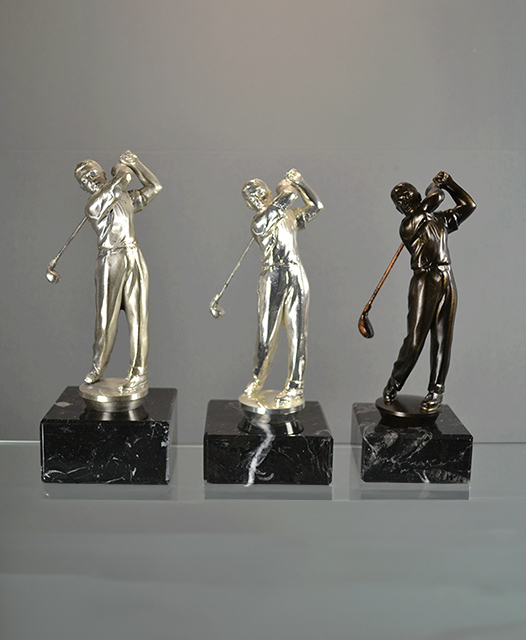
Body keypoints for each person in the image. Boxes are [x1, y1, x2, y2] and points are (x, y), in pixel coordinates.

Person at [383, 171, 476, 412]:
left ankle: (436, 390)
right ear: (399, 209)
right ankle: (394, 382)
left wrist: (451, 184)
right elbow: (436, 198)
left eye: (407, 194)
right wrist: (435, 186)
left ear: (415, 194)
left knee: (443, 338)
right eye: (399, 200)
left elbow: (469, 205)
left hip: (446, 277)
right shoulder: (408, 224)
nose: (404, 200)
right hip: (424, 280)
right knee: (415, 340)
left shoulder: (439, 220)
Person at [74, 151, 162, 393]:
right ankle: (98, 367)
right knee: (105, 320)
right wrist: (120, 166)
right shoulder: (93, 205)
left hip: (134, 255)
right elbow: (123, 179)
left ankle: (139, 373)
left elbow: (155, 187)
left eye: (93, 173)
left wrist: (137, 163)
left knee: (139, 319)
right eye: (84, 179)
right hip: (110, 259)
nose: (90, 179)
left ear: (102, 174)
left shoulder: (125, 198)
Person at [241, 169, 323, 406]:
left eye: (258, 191)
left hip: (296, 273)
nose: (255, 197)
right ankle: (257, 380)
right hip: (273, 276)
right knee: (266, 336)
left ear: (267, 192)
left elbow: (316, 206)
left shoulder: (290, 216)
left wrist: (302, 182)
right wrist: (286, 184)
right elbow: (288, 196)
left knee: (298, 335)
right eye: (250, 196)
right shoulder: (259, 222)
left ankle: (295, 387)